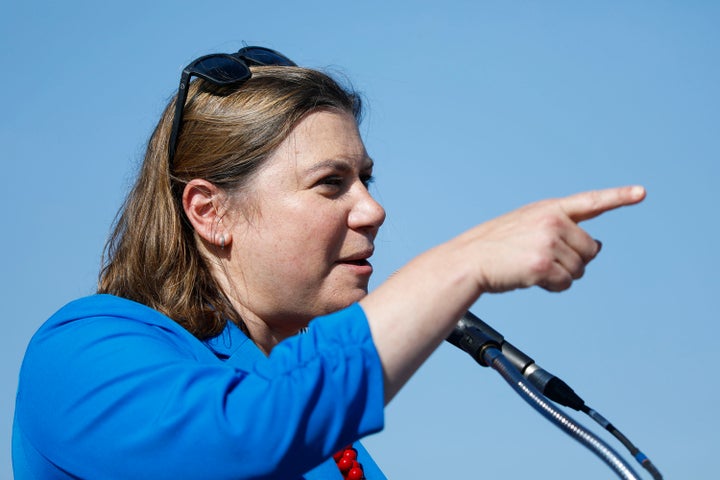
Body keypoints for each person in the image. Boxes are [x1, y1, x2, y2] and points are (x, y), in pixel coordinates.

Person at [12, 46, 646, 480]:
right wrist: (459, 267)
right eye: (330, 183)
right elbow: (243, 436)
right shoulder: (78, 353)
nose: (373, 210)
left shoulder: (329, 440)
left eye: (366, 179)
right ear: (210, 212)